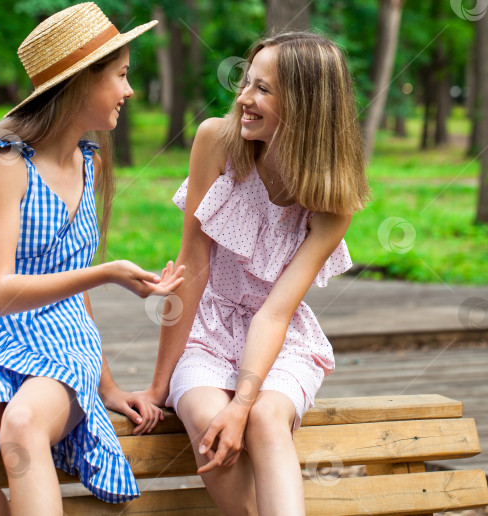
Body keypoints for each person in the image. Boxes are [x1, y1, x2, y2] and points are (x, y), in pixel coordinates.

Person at [0, 3, 183, 515]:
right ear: (82, 82)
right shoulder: (7, 165)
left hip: (61, 348)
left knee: (23, 423)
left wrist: (106, 386)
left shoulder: (91, 161)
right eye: (121, 76)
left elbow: (74, 298)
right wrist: (108, 272)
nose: (129, 91)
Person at [142, 32, 370, 515]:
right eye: (248, 83)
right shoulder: (215, 142)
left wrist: (243, 402)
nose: (244, 98)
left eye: (263, 89)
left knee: (266, 418)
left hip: (281, 338)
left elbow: (274, 314)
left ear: (307, 104)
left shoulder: (332, 199)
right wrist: (158, 387)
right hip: (207, 328)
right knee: (209, 422)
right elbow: (193, 267)